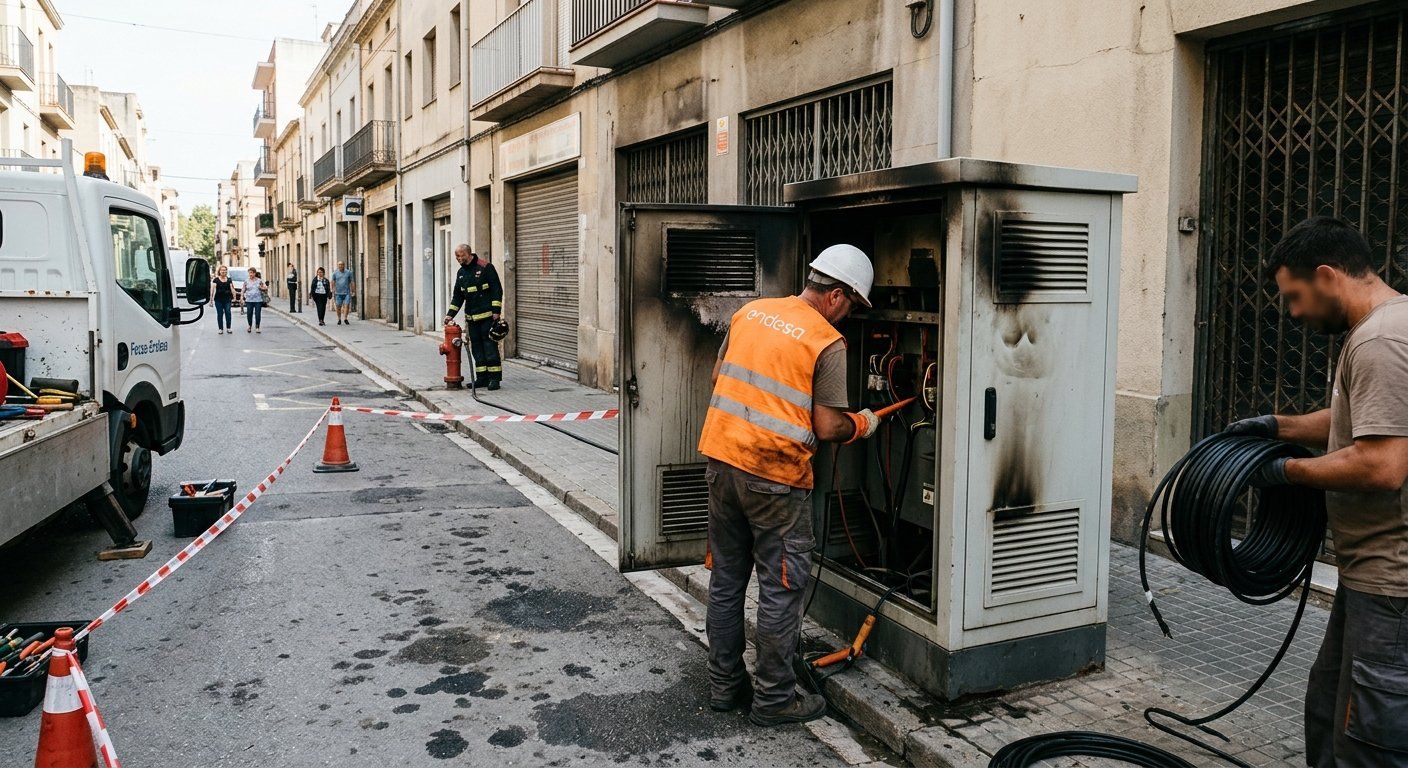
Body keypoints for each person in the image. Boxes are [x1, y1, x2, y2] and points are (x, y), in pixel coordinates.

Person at [1226, 217, 1408, 768]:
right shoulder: (1389, 324)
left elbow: (1381, 464)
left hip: (1392, 584)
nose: (1293, 312)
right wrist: (1276, 426)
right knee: (1329, 710)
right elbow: (1357, 421)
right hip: (1369, 575)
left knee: (1367, 745)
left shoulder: (1379, 341)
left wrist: (1284, 472)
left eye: (1295, 296)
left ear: (1327, 276)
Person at [697, 244, 887, 727]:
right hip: (775, 481)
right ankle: (775, 698)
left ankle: (725, 686)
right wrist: (862, 423)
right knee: (782, 590)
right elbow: (827, 426)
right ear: (836, 295)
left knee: (726, 581)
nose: (848, 317)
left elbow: (720, 376)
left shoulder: (751, 312)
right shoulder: (826, 341)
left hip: (721, 464)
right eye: (852, 306)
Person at [443, 245, 504, 390]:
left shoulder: (485, 267)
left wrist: (496, 311)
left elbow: (497, 290)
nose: (459, 258)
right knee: (476, 349)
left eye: (461, 255)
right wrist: (450, 314)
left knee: (489, 347)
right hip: (472, 319)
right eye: (456, 256)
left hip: (487, 317)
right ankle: (482, 378)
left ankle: (494, 379)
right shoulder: (461, 273)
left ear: (469, 254)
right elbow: (458, 297)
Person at [243, 267, 267, 334]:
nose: (250, 274)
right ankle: (249, 326)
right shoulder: (246, 281)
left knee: (257, 314)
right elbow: (243, 289)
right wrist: (241, 297)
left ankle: (257, 327)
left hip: (258, 300)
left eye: (252, 273)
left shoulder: (259, 281)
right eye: (249, 273)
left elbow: (265, 288)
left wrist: (262, 288)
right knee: (249, 313)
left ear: (254, 273)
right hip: (249, 300)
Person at [212, 265, 234, 334]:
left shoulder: (229, 279)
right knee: (220, 314)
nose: (223, 271)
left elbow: (232, 288)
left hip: (227, 299)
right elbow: (212, 290)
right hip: (218, 300)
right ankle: (220, 328)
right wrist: (210, 300)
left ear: (226, 271)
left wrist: (235, 297)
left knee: (228, 313)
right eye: (222, 270)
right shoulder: (216, 280)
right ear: (219, 271)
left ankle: (228, 328)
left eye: (225, 270)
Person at [332, 261, 355, 325]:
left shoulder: (349, 272)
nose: (341, 266)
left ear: (344, 265)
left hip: (347, 292)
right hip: (338, 293)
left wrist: (353, 291)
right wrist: (333, 289)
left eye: (342, 264)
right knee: (338, 307)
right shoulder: (335, 273)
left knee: (346, 305)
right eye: (339, 264)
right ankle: (339, 319)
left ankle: (345, 318)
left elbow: (352, 282)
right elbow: (333, 281)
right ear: (338, 265)